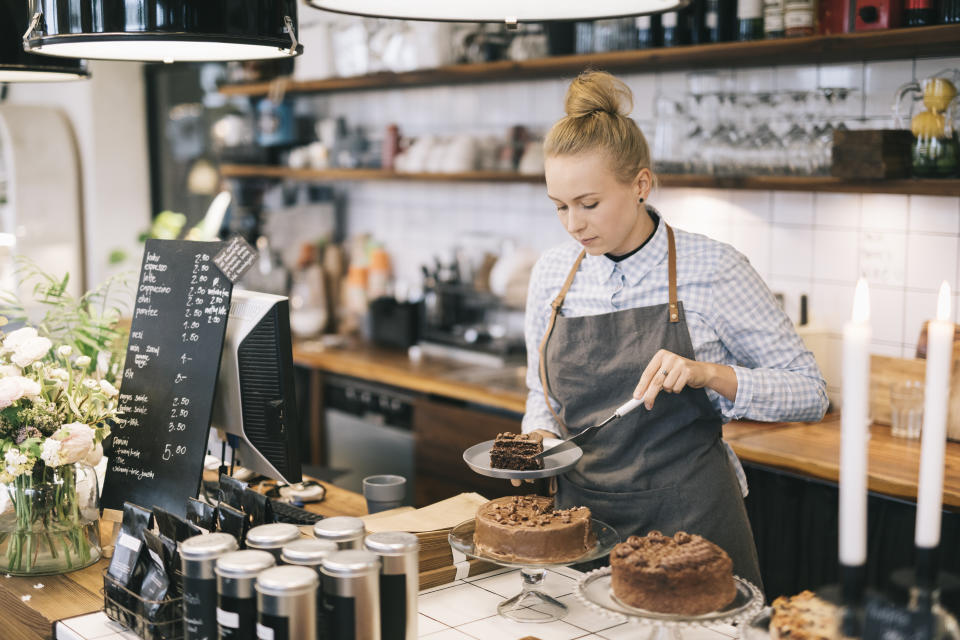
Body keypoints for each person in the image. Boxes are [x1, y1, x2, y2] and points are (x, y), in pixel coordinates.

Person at [519, 71, 828, 587]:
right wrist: (539, 438)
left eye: (589, 204)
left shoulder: (714, 269)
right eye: (560, 207)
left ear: (640, 184)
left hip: (692, 529)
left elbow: (810, 392)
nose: (573, 224)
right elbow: (540, 392)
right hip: (581, 527)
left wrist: (708, 373)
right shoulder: (553, 274)